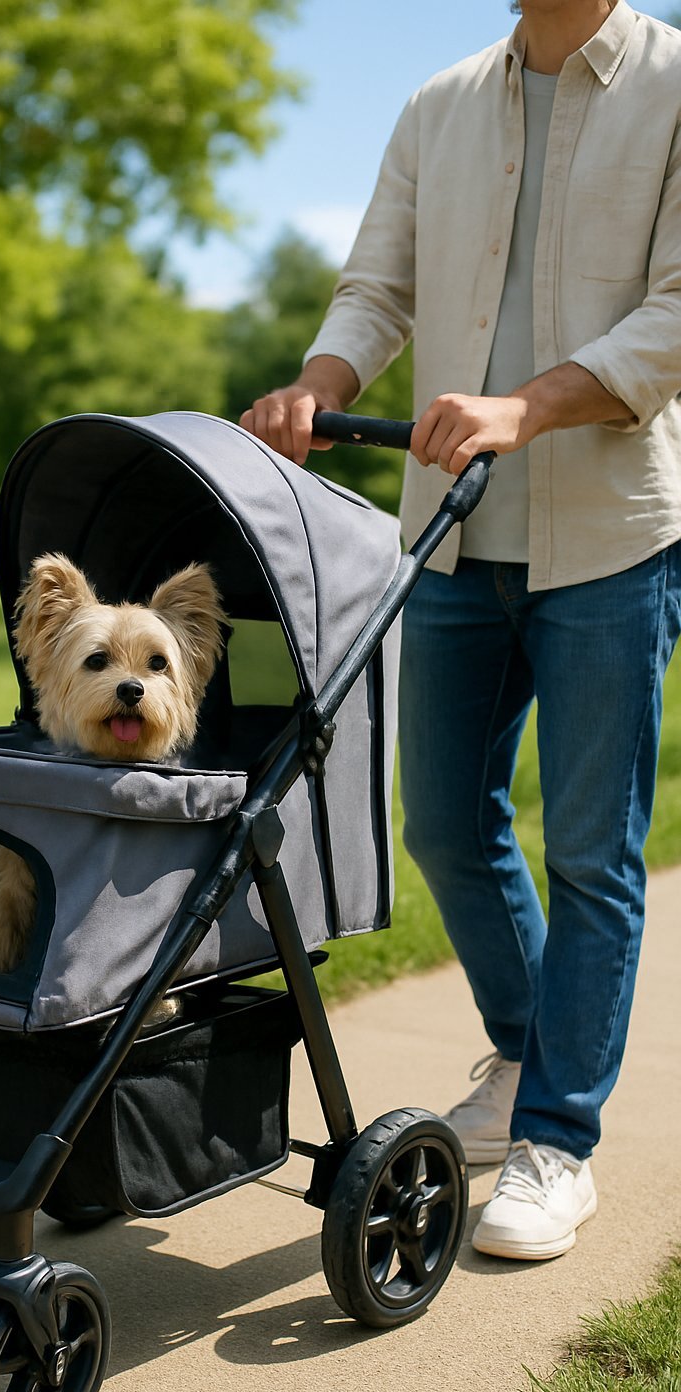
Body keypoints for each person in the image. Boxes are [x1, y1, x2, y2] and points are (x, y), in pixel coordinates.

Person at [241, 0, 681, 1261]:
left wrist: (524, 408)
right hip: (449, 535)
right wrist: (319, 385)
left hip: (611, 539)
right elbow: (376, 288)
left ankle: (557, 1142)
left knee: (591, 852)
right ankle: (525, 1055)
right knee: (440, 820)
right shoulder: (439, 103)